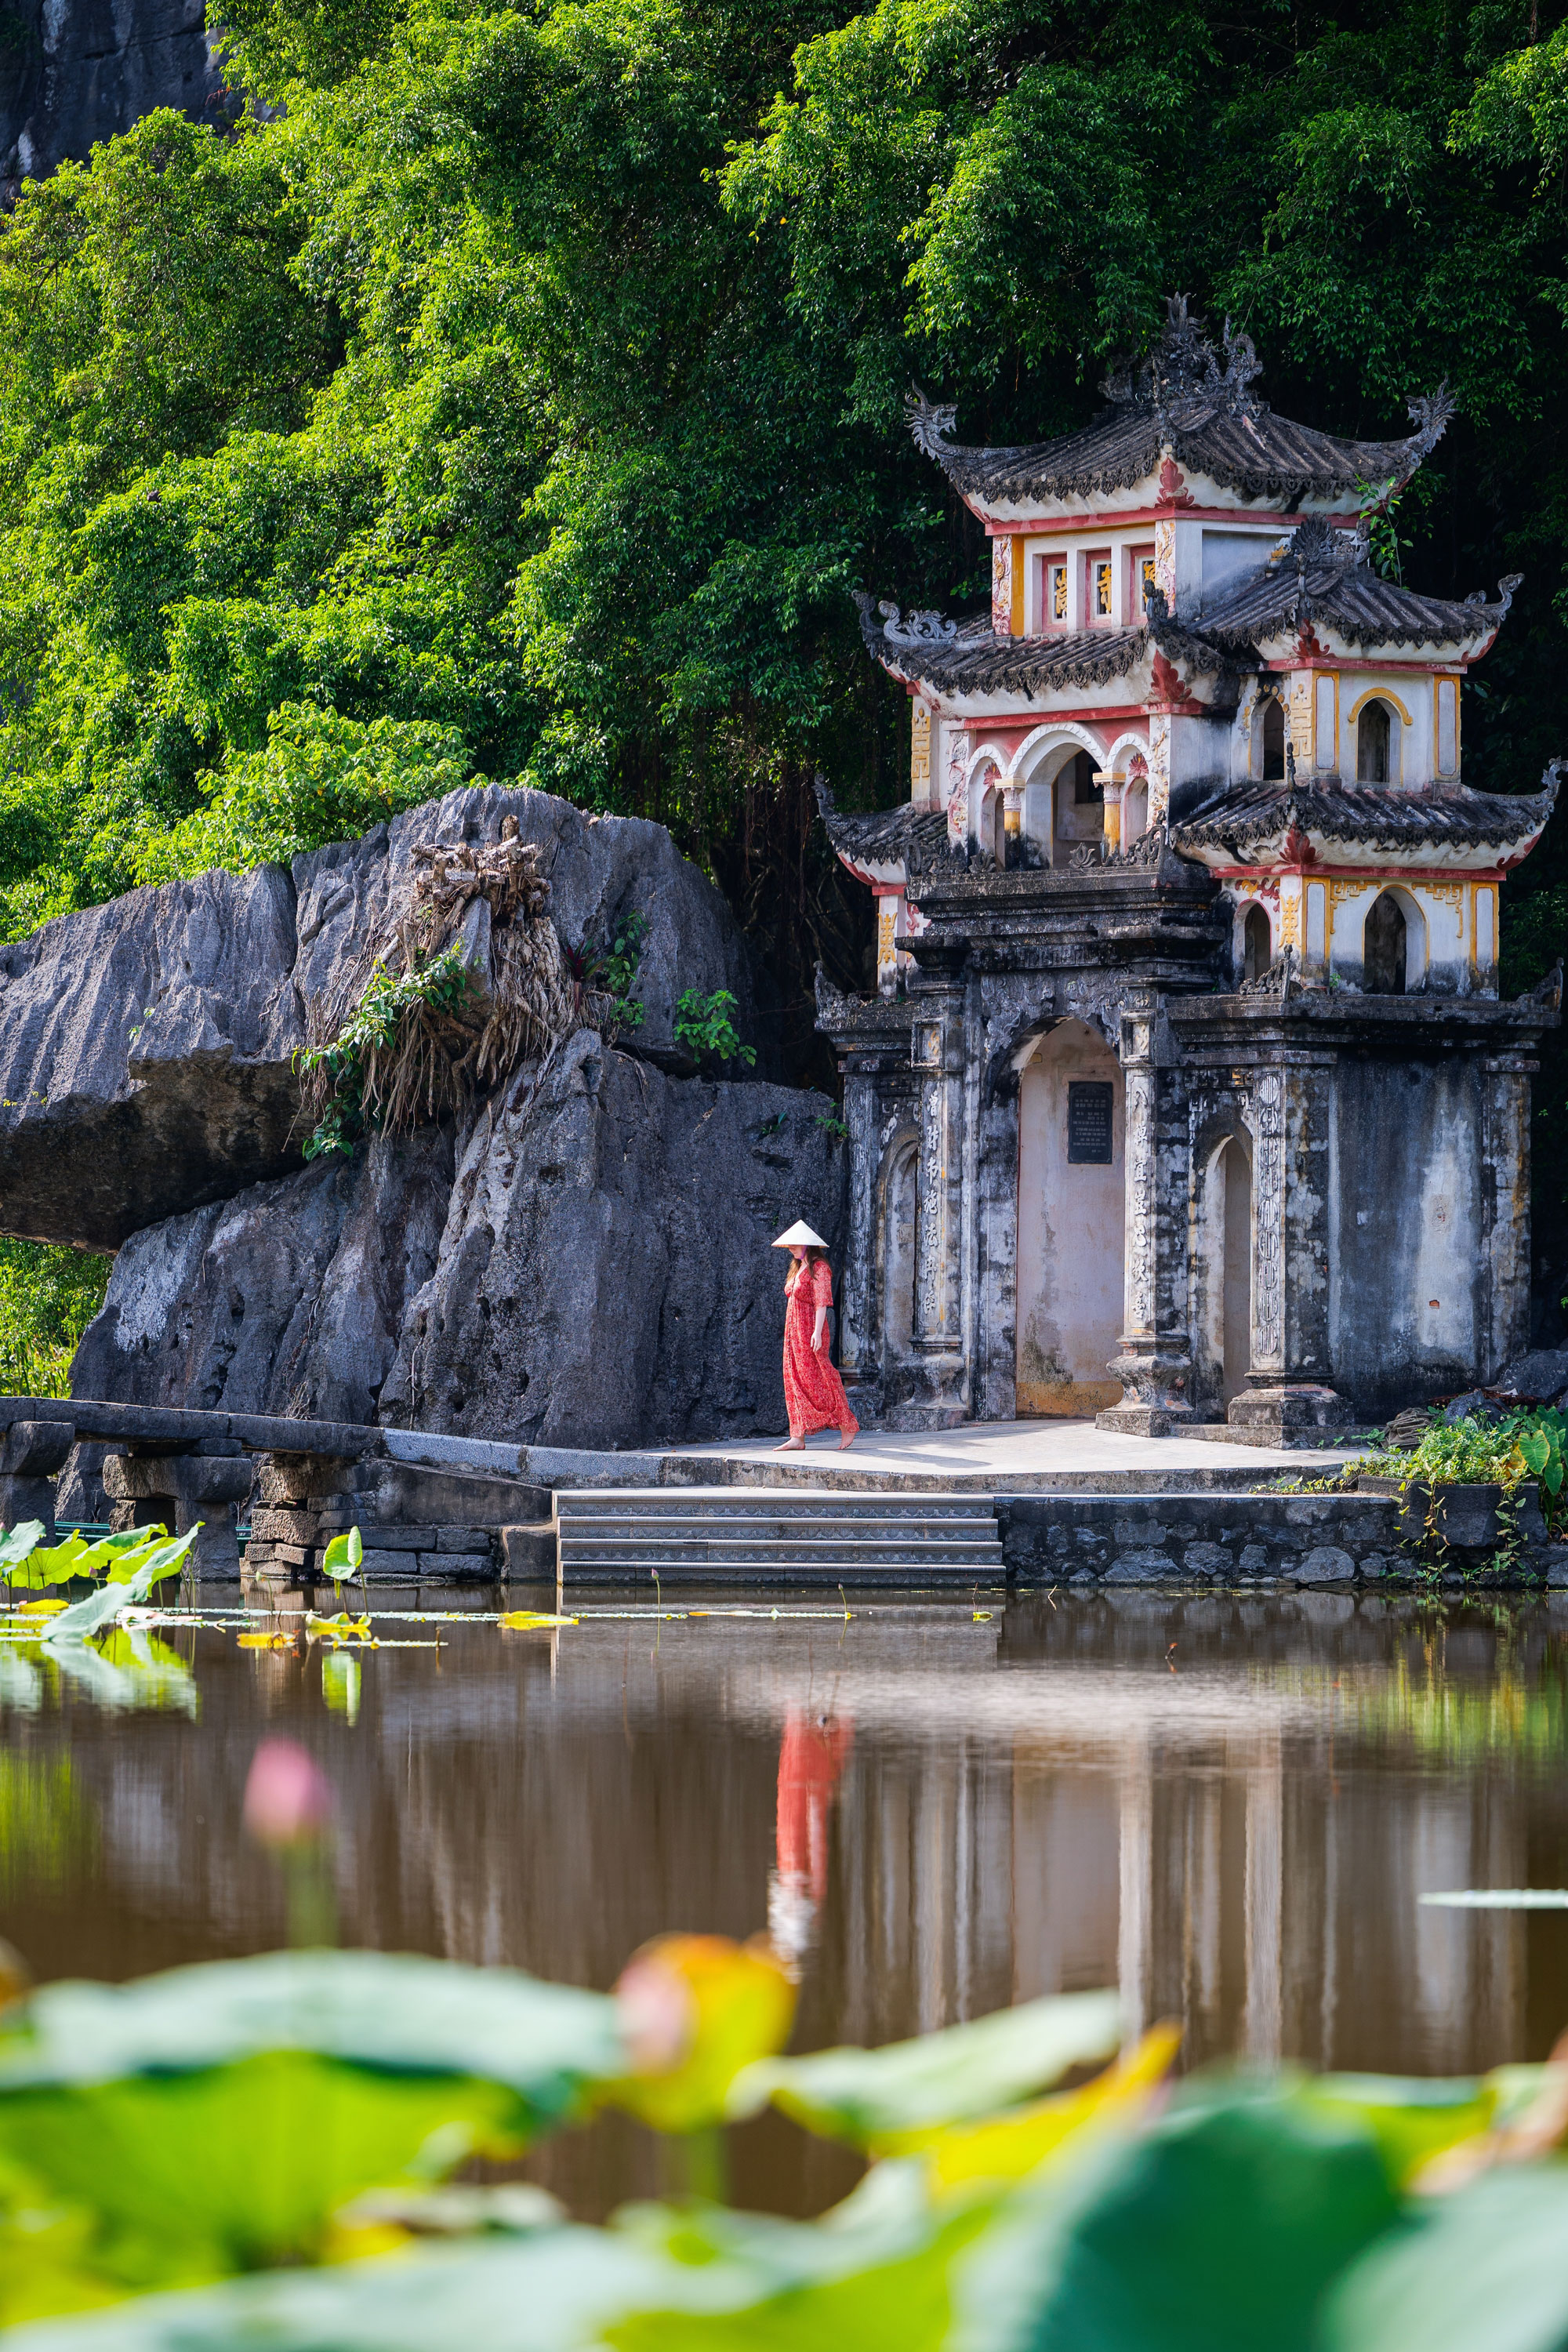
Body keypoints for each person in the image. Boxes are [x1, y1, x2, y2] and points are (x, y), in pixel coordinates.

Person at [771, 1220, 858, 1451]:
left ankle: (846, 1423)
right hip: (794, 1331)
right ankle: (797, 1435)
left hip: (810, 1328)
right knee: (794, 1378)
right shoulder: (798, 1267)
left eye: (795, 1245)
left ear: (807, 1245)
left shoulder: (820, 1267)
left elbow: (821, 1303)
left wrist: (817, 1333)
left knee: (820, 1375)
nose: (791, 1249)